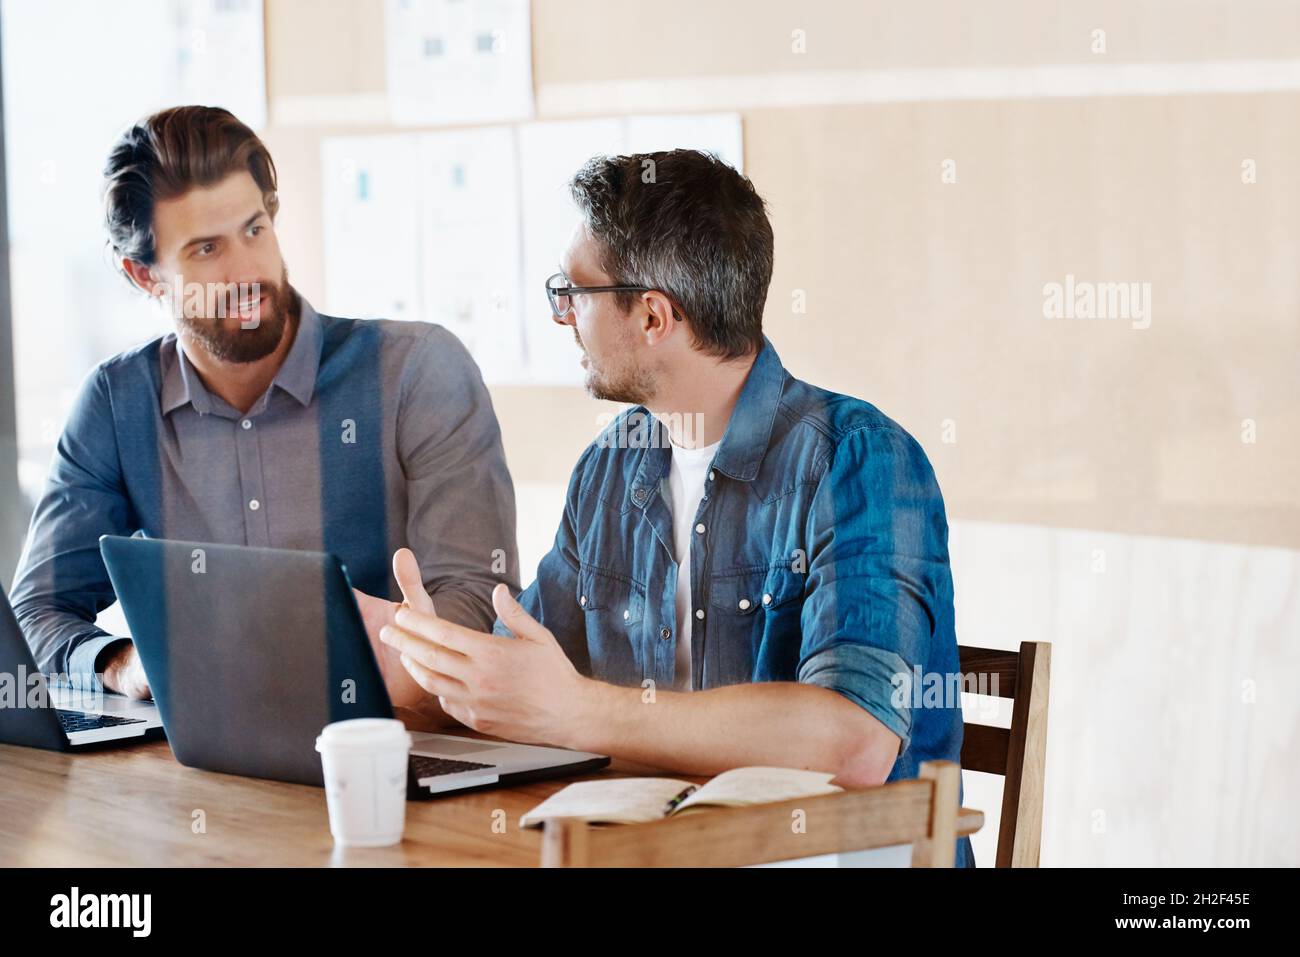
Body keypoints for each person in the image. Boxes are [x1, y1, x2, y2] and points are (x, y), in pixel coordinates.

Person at [379, 149, 974, 866]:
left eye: (574, 292)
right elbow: (531, 676)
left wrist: (580, 712)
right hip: (661, 851)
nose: (564, 316)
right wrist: (432, 658)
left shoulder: (860, 460)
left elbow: (854, 740)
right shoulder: (610, 466)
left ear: (654, 316)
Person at [8, 106, 518, 730]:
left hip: (393, 758)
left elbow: (480, 601)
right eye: (206, 249)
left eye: (255, 230)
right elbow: (36, 612)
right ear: (144, 275)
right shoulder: (117, 405)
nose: (247, 271)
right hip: (205, 770)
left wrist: (372, 654)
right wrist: (123, 662)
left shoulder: (416, 371)